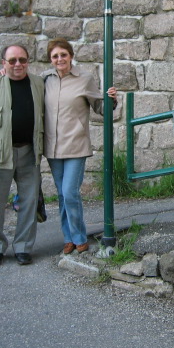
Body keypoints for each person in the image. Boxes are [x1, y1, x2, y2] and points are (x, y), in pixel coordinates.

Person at [0, 45, 44, 266]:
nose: (18, 64)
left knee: (29, 203)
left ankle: (23, 247)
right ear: (3, 62)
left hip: (29, 152)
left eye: (22, 60)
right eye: (12, 61)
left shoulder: (39, 83)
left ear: (28, 61)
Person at [43, 38, 117, 255]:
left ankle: (79, 237)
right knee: (61, 195)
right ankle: (68, 238)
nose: (59, 59)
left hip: (76, 145)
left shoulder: (84, 78)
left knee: (70, 192)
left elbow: (100, 107)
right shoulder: (44, 79)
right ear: (51, 59)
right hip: (53, 147)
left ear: (71, 56)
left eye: (63, 55)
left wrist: (110, 99)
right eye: (55, 56)